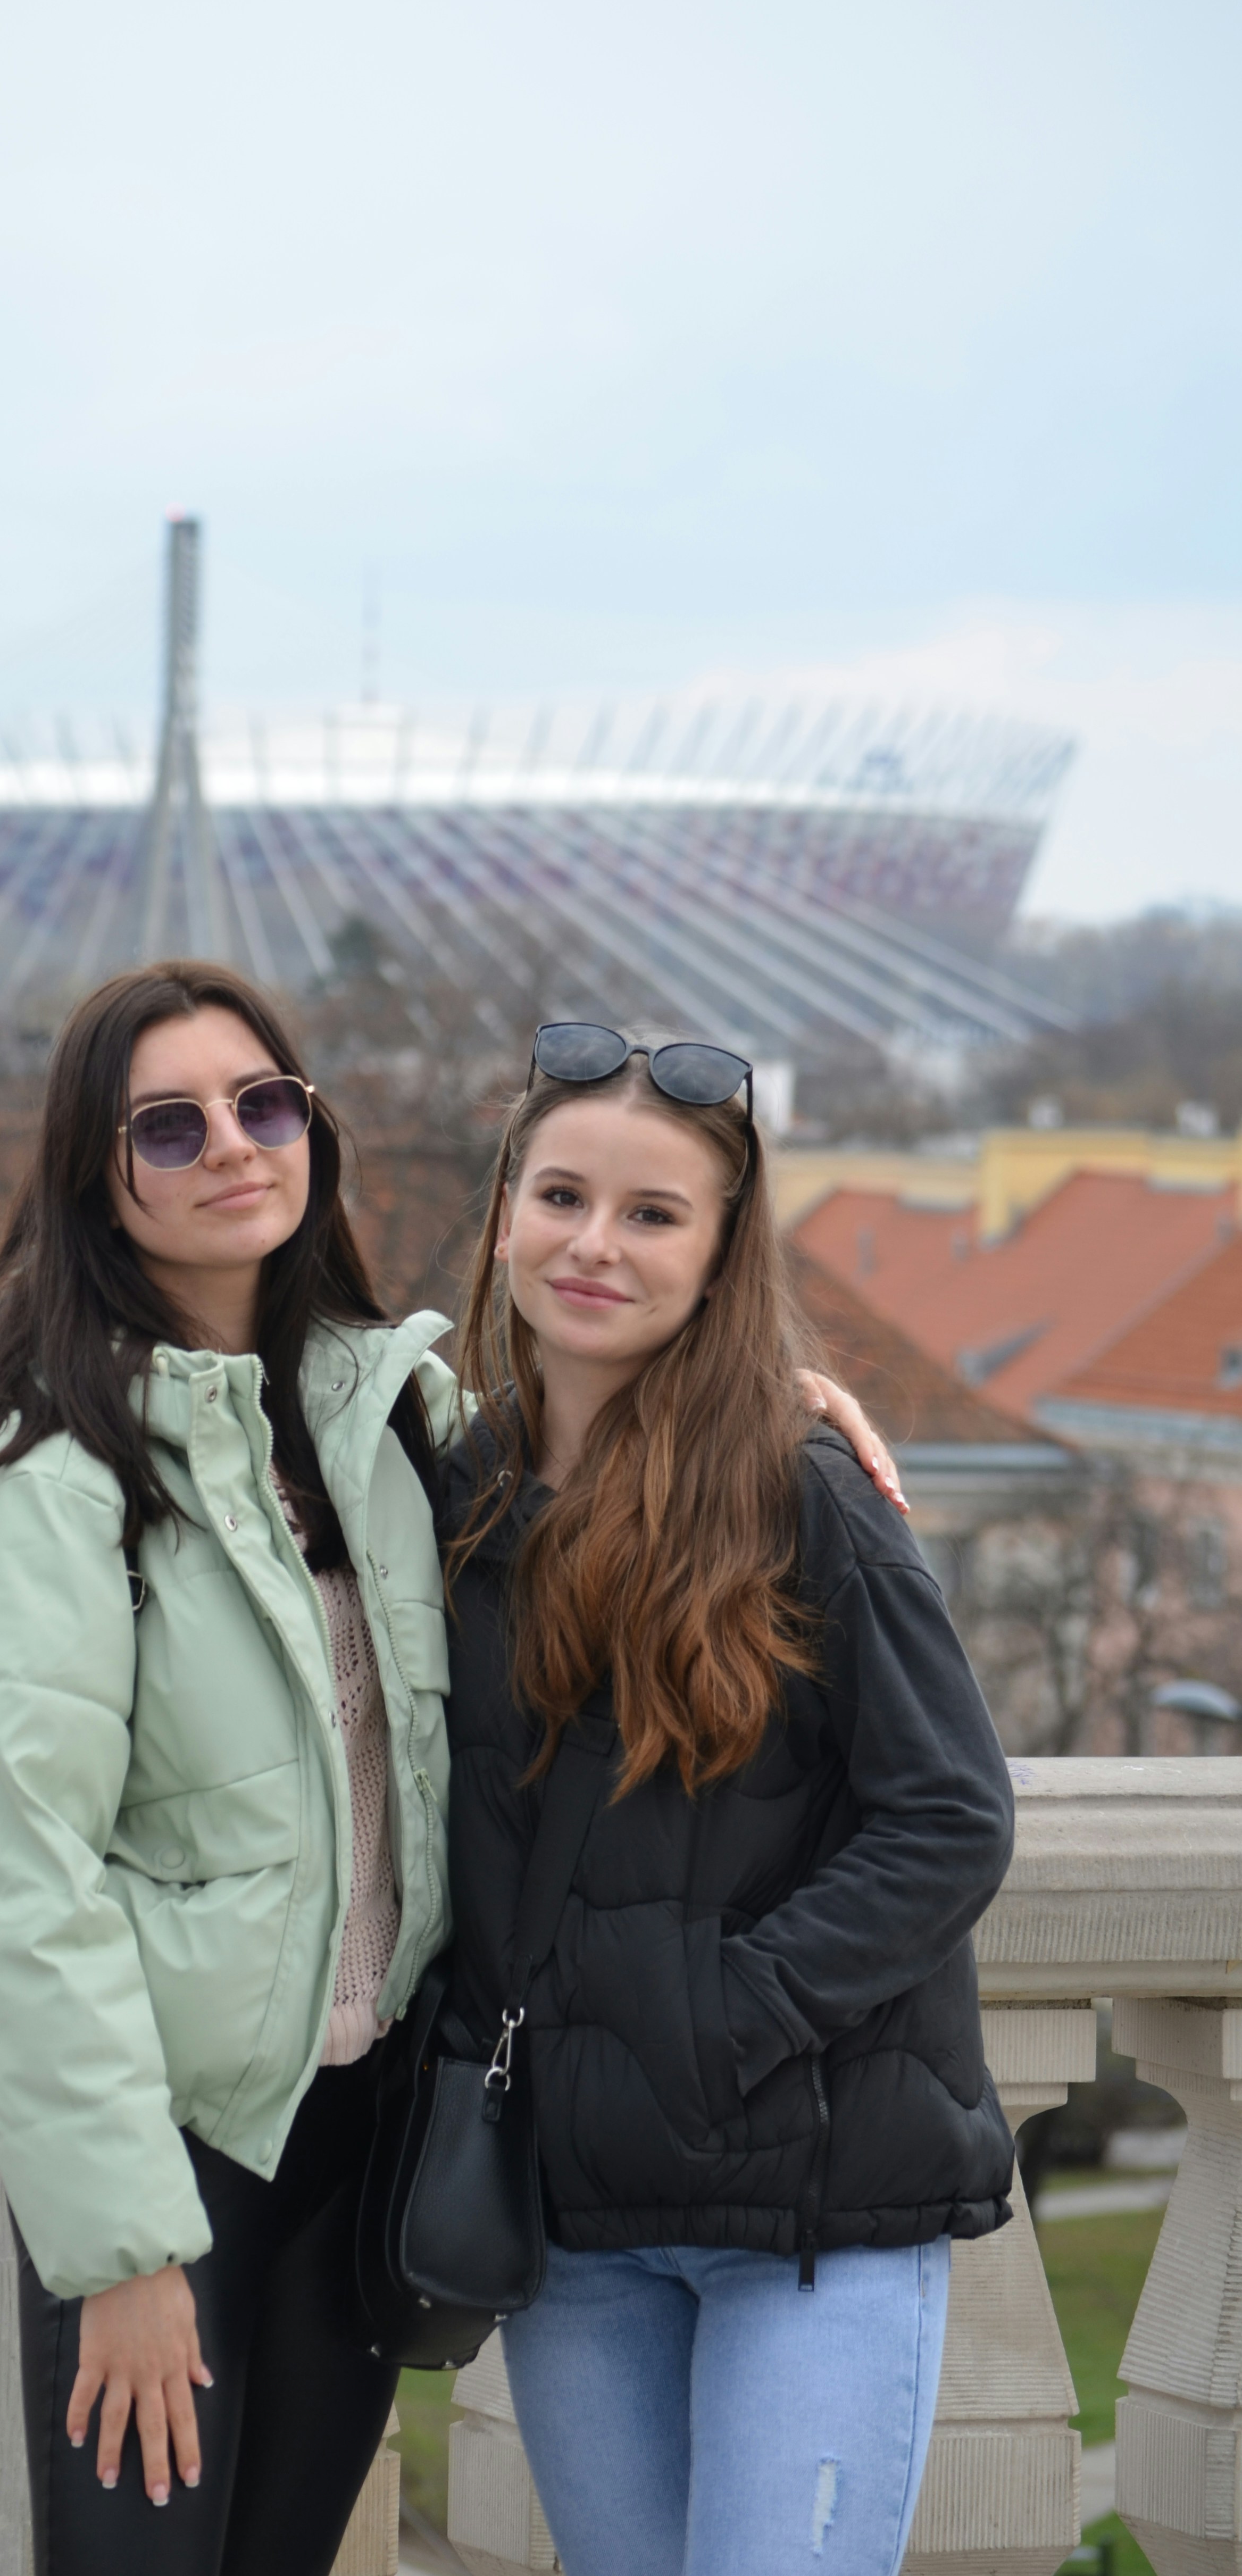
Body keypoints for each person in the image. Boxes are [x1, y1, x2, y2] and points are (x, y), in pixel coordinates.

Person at [0, 966, 897, 2576]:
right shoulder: (43, 1470)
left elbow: (578, 1444)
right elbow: (12, 1884)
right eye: (170, 1126)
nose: (234, 1146)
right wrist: (123, 2250)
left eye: (264, 1104)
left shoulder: (383, 1413)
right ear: (99, 1175)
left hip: (363, 2149)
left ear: (314, 1132)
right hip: (183, 2161)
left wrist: (752, 1395)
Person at [440, 1023, 1016, 2576]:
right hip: (576, 2225)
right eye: (561, 1197)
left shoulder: (804, 1491)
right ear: (503, 1211)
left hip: (813, 2215)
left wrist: (729, 2016)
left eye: (652, 1216)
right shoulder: (451, 1496)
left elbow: (952, 1816)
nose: (593, 1246)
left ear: (718, 1254)